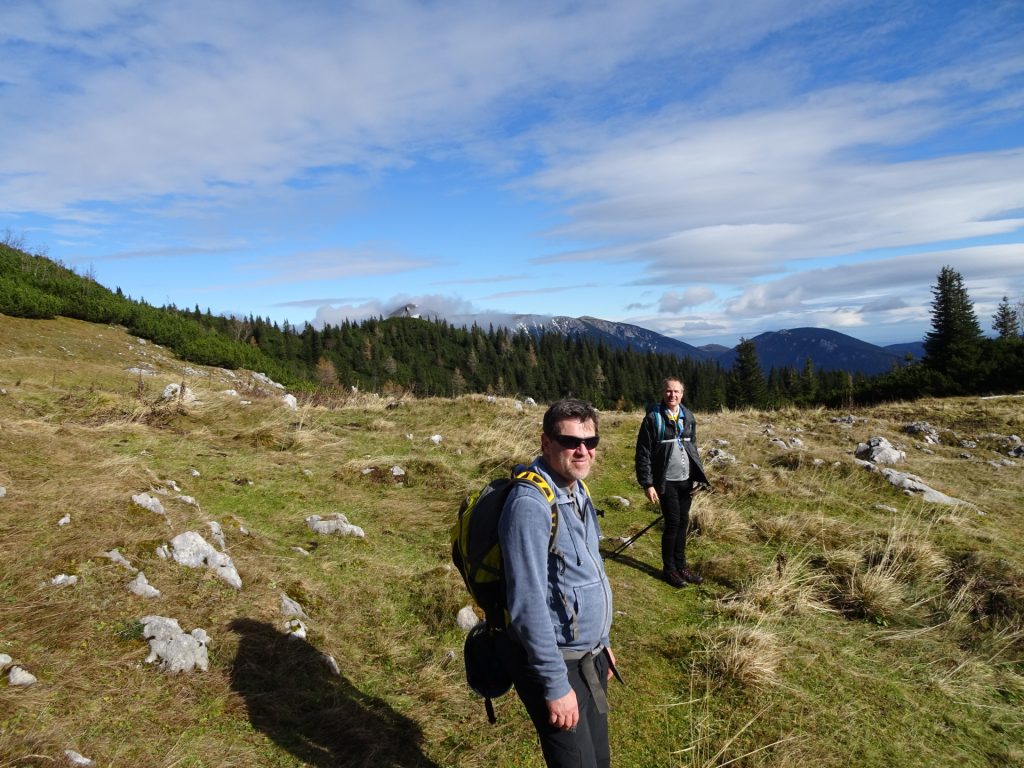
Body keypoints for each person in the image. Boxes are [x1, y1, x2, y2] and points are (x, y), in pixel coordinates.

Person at [498, 398, 618, 768]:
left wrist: (604, 644)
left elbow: (589, 570)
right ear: (546, 442)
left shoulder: (576, 489)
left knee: (599, 759)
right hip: (556, 664)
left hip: (589, 657)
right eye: (570, 442)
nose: (582, 451)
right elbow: (527, 605)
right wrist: (554, 685)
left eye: (590, 442)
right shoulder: (530, 505)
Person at [634, 377, 710, 589]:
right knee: (673, 524)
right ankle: (670, 570)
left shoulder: (688, 417)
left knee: (683, 523)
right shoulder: (653, 418)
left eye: (676, 392)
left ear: (682, 394)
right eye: (668, 391)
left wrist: (697, 477)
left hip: (686, 481)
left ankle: (682, 567)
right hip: (665, 482)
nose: (672, 395)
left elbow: (692, 449)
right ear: (662, 392)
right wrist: (648, 484)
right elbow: (643, 453)